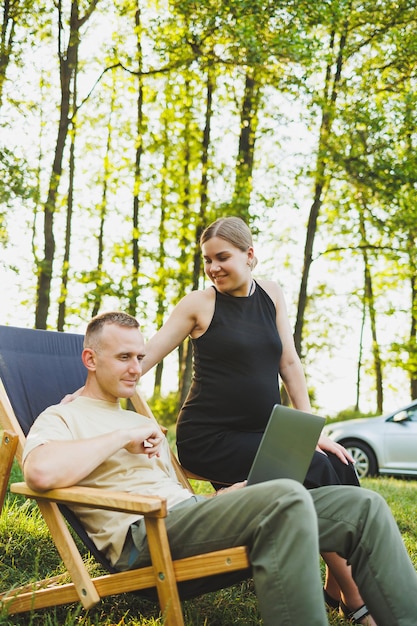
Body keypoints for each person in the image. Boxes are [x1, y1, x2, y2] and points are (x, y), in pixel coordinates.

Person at [23, 311, 417, 626]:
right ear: (90, 360)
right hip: (146, 536)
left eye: (140, 357)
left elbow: (173, 492)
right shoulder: (62, 416)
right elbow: (39, 473)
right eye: (124, 357)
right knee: (286, 495)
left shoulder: (138, 421)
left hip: (187, 517)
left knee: (362, 507)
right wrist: (118, 438)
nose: (135, 368)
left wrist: (223, 498)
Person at [139, 216, 364, 617]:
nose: (213, 268)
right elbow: (145, 358)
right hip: (211, 439)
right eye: (207, 260)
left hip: (263, 432)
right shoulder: (198, 304)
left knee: (339, 464)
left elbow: (289, 363)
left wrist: (309, 431)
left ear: (250, 254)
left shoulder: (272, 294)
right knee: (313, 469)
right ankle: (356, 595)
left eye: (222, 257)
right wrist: (88, 387)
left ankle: (335, 585)